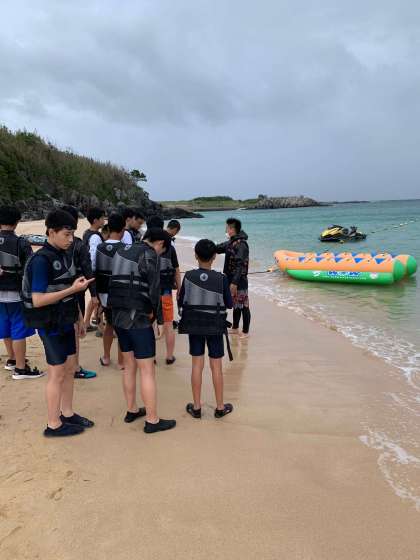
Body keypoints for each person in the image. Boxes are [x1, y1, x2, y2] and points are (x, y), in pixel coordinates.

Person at [22, 210, 95, 437]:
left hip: (66, 319)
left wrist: (79, 318)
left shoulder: (64, 255)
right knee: (57, 372)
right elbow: (38, 299)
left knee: (70, 368)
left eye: (72, 234)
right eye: (66, 234)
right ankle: (53, 424)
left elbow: (68, 290)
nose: (70, 239)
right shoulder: (41, 260)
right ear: (51, 232)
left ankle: (68, 413)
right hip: (49, 323)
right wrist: (72, 289)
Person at [109, 227, 176, 433]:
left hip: (117, 315)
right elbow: (155, 290)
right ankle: (152, 420)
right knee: (147, 370)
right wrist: (159, 320)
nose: (160, 254)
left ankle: (131, 409)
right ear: (160, 244)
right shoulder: (149, 254)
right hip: (137, 318)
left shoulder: (121, 250)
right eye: (162, 251)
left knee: (129, 366)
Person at [178, 239, 233, 419]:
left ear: (195, 255)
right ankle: (220, 407)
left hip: (194, 325)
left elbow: (181, 300)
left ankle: (196, 407)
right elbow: (229, 304)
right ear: (214, 257)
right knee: (216, 366)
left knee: (197, 365)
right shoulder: (222, 278)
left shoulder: (188, 276)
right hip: (215, 326)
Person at [0, 205, 44, 379]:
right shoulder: (21, 243)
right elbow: (30, 268)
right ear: (17, 222)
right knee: (18, 328)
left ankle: (12, 359)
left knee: (6, 325)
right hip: (15, 293)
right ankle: (20, 368)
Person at [62, 205, 97, 379]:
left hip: (54, 293)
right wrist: (94, 294)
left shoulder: (51, 246)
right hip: (76, 293)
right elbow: (87, 270)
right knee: (75, 328)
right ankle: (75, 367)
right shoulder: (79, 245)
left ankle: (62, 365)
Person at [147, 216, 181, 364]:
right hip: (165, 292)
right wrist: (179, 288)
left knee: (150, 323)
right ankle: (169, 356)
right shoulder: (170, 248)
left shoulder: (144, 248)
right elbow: (176, 270)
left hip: (149, 294)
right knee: (168, 324)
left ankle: (152, 357)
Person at [95, 212, 125, 367]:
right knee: (121, 327)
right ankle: (121, 361)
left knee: (109, 324)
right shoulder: (125, 248)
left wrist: (96, 296)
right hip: (120, 293)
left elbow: (95, 269)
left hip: (103, 293)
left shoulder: (100, 247)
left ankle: (106, 357)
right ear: (123, 229)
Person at [216, 217, 250, 338]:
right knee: (236, 305)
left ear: (232, 229)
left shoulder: (242, 245)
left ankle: (245, 331)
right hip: (231, 279)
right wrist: (207, 247)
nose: (226, 230)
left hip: (240, 281)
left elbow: (240, 264)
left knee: (244, 306)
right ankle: (235, 328)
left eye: (227, 228)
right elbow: (220, 248)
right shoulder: (232, 242)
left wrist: (234, 282)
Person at [82, 207, 105, 330]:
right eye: (102, 218)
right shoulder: (95, 237)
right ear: (96, 220)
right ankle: (100, 327)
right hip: (93, 272)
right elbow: (94, 257)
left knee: (94, 298)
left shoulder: (87, 233)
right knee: (98, 299)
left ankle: (87, 322)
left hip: (87, 271)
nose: (104, 221)